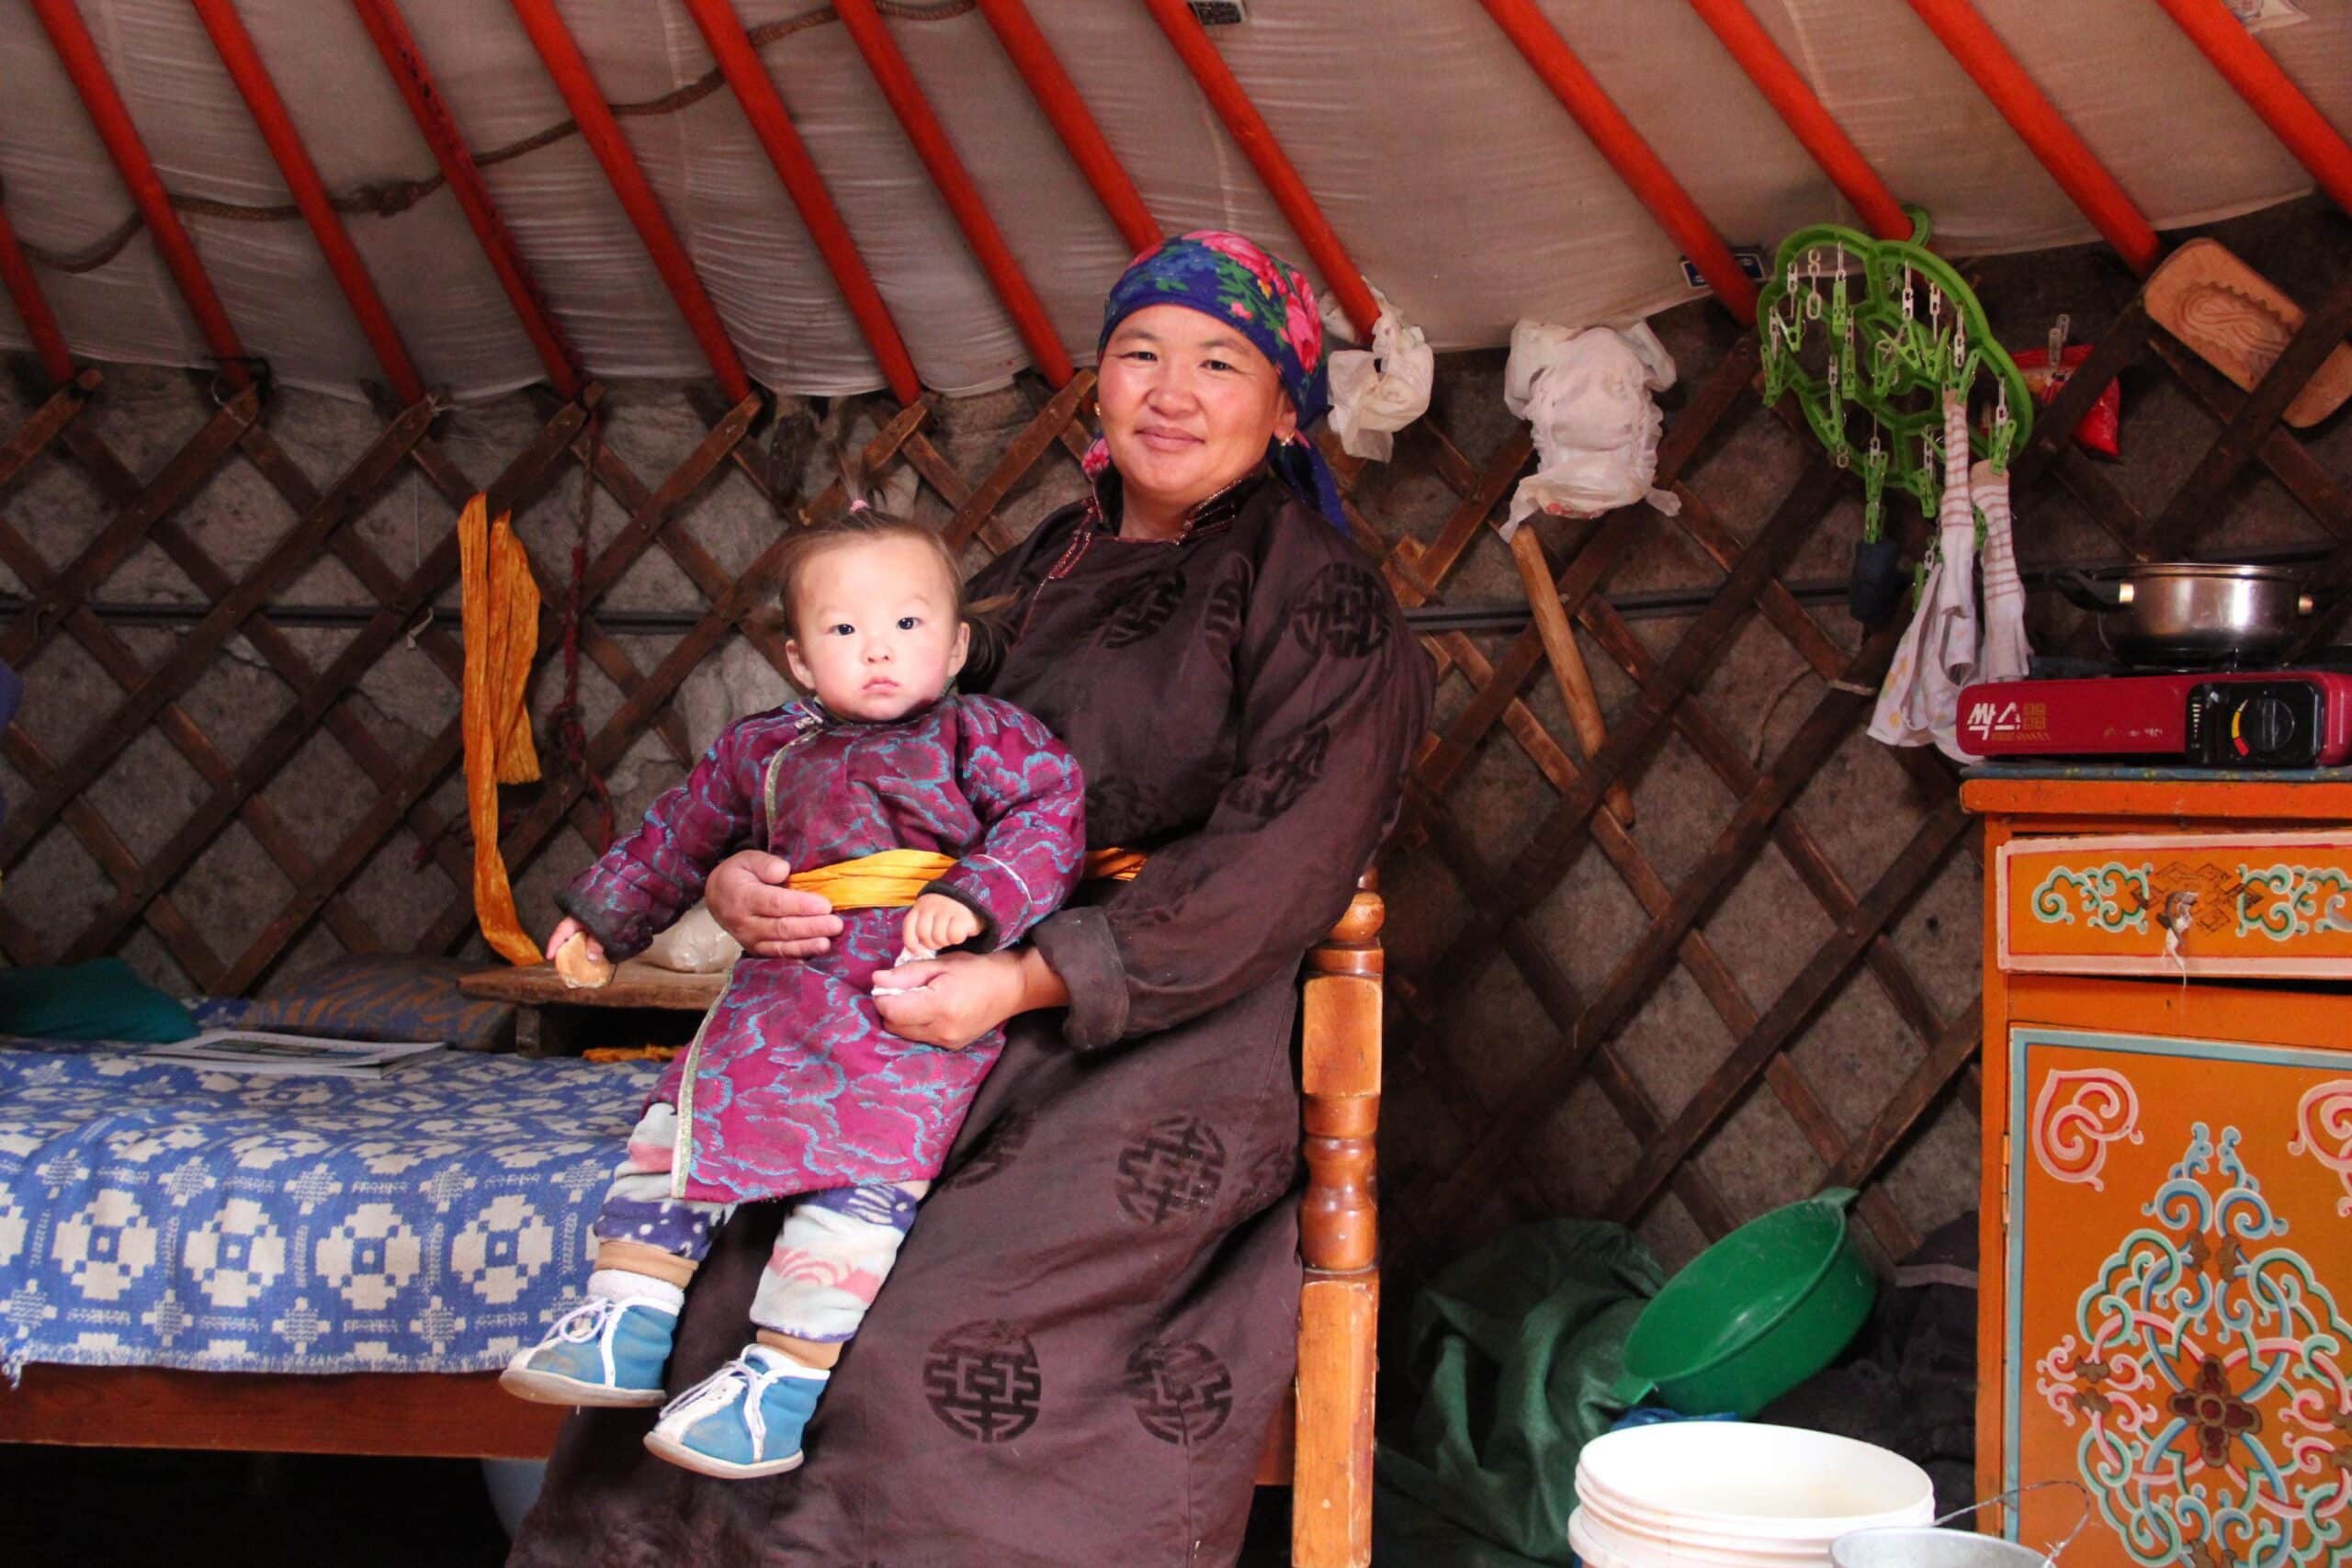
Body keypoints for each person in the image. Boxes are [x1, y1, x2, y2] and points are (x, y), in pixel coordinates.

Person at [509, 231, 1431, 1565]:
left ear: (1285, 401)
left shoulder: (1323, 599)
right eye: (1139, 355)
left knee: (907, 1343)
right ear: (1097, 383)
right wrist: (738, 870)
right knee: (727, 1295)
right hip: (922, 1014)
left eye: (1219, 362)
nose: (1171, 390)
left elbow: (1275, 868)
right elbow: (852, 744)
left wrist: (1029, 975)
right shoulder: (1042, 563)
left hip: (1153, 1040)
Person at [501, 508, 1085, 1481]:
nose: (879, 653)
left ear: (956, 646)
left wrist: (974, 899)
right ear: (801, 661)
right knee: (678, 1122)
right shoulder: (764, 747)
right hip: (783, 991)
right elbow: (678, 836)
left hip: (909, 988)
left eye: (906, 625)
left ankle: (783, 1379)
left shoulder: (985, 736)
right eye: (844, 631)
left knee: (869, 1171)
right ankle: (626, 1318)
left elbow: (1048, 816)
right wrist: (602, 920)